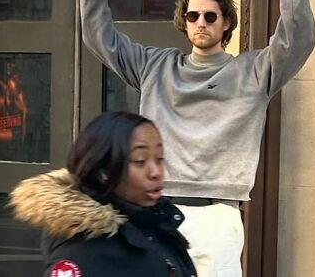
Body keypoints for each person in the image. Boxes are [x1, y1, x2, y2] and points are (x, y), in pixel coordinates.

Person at [81, 0, 315, 276]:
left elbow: (297, 39)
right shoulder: (154, 66)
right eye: (193, 15)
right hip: (157, 208)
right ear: (184, 22)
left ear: (226, 23)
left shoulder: (252, 72)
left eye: (210, 15)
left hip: (217, 216)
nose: (201, 21)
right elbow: (101, 39)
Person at [11, 111, 196, 277]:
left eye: (160, 159)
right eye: (140, 161)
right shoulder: (81, 251)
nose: (156, 172)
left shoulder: (155, 226)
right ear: (103, 172)